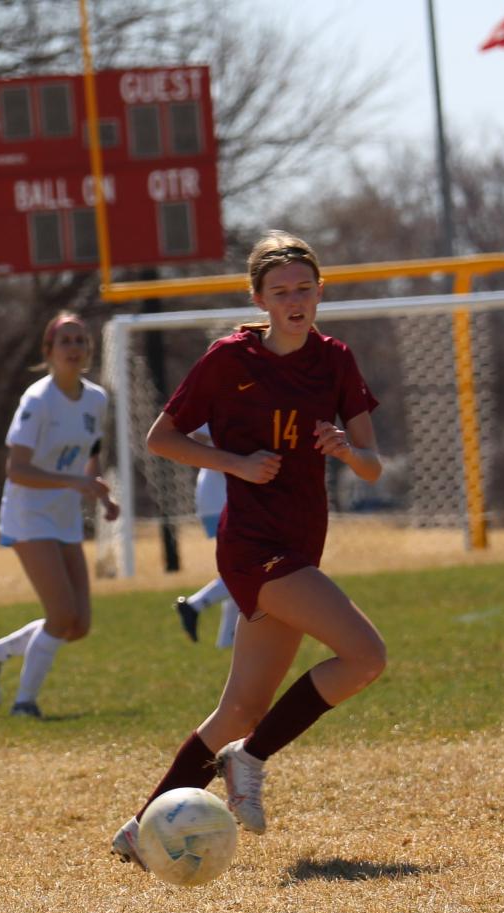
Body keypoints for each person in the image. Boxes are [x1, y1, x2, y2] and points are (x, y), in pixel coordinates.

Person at [113, 231, 386, 866]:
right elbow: (162, 438)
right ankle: (252, 758)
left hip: (300, 541)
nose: (294, 300)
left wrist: (347, 449)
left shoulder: (336, 360)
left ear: (321, 292)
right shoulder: (229, 360)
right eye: (281, 291)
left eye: (304, 289)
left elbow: (372, 465)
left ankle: (139, 830)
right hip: (253, 546)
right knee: (365, 655)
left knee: (240, 706)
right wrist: (233, 461)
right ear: (259, 298)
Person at [0, 312, 120, 719]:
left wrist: (99, 491)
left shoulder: (96, 398)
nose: (74, 348)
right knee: (61, 615)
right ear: (48, 352)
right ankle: (24, 704)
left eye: (81, 340)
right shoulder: (37, 400)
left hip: (64, 514)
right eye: (65, 341)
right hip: (28, 514)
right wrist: (74, 484)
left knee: (79, 625)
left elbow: (90, 455)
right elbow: (17, 469)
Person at [173, 425, 239, 650]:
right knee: (245, 570)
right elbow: (196, 440)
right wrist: (233, 459)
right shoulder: (226, 395)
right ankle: (195, 605)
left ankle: (226, 641)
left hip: (229, 496)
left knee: (240, 570)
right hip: (221, 498)